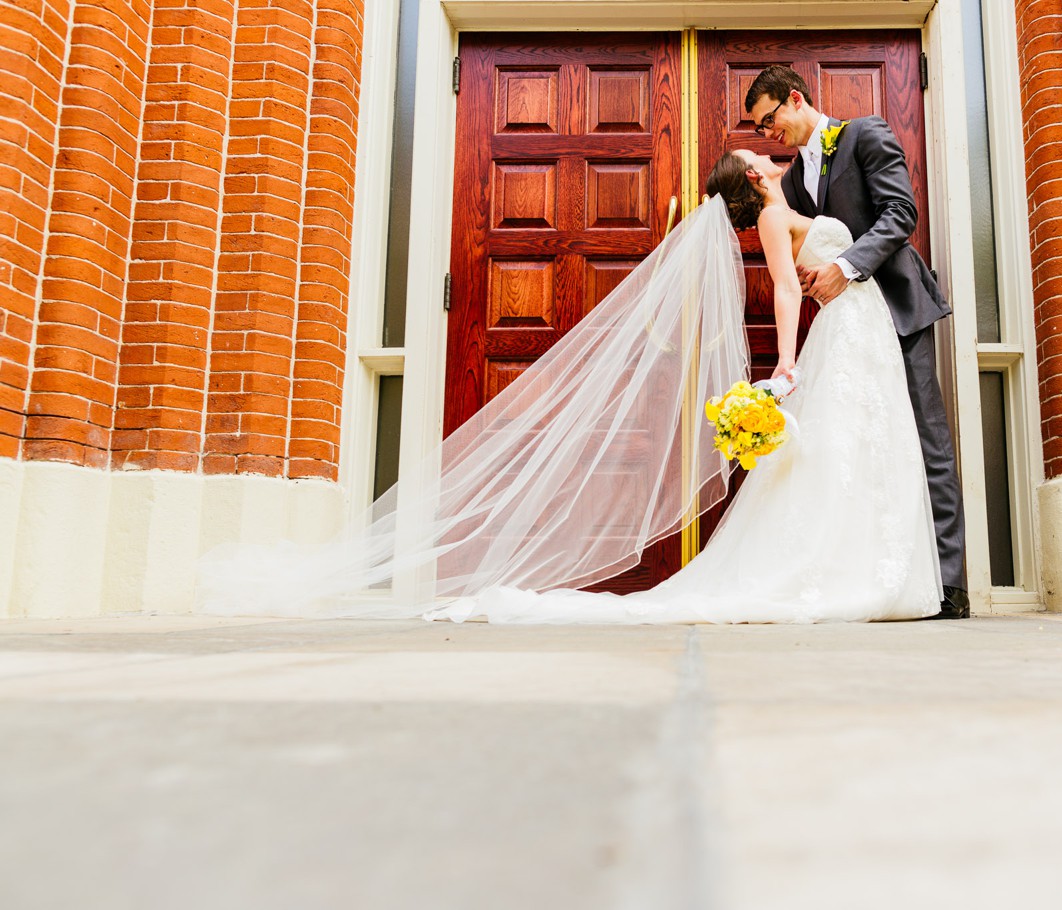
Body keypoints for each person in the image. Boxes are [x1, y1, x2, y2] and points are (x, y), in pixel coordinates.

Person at [198, 154, 942, 624]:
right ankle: (848, 569)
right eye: (754, 154)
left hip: (858, 332)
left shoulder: (792, 201)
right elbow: (784, 288)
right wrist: (782, 364)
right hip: (839, 334)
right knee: (847, 444)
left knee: (856, 446)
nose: (762, 151)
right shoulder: (780, 211)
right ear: (753, 178)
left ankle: (865, 562)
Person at [745, 65, 970, 620]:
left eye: (770, 120)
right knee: (861, 445)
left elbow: (901, 214)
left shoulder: (866, 134)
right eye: (760, 130)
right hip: (848, 328)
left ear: (796, 100)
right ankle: (877, 573)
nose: (768, 134)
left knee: (925, 440)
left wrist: (847, 265)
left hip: (897, 308)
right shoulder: (794, 181)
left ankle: (949, 586)